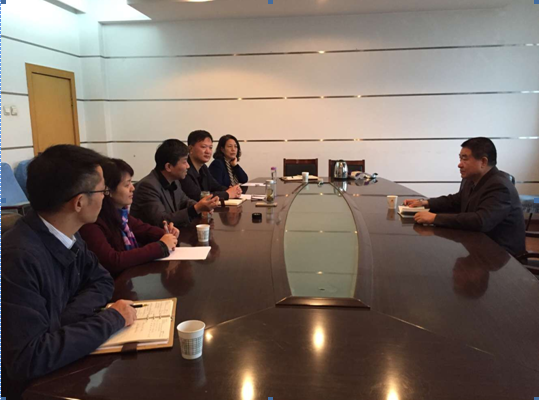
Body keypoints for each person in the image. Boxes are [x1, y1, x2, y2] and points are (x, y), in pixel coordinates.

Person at [2, 145, 137, 399]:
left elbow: (101, 280)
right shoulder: (18, 258)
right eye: (102, 191)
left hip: (63, 367)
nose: (105, 197)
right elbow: (28, 358)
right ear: (79, 202)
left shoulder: (68, 234)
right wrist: (112, 319)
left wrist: (62, 321)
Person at [403, 137, 525, 256]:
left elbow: (481, 221)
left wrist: (435, 218)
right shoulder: (471, 180)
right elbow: (456, 201)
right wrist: (425, 203)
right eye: (460, 158)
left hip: (501, 256)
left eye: (465, 159)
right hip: (477, 244)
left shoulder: (499, 186)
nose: (459, 164)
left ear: (483, 162)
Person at [80, 158, 180, 277]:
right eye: (127, 185)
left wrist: (167, 233)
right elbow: (113, 261)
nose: (133, 188)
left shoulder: (121, 215)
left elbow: (145, 230)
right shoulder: (92, 222)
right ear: (108, 190)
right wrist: (161, 246)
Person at [130, 139, 220, 227]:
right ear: (169, 167)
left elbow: (185, 201)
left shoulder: (174, 181)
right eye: (184, 162)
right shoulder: (147, 187)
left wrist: (201, 207)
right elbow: (162, 221)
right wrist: (196, 209)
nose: (188, 166)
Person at [181, 130, 242, 201]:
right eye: (203, 147)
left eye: (210, 147)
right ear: (190, 149)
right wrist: (227, 194)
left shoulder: (203, 167)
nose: (208, 151)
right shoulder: (184, 169)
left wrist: (231, 190)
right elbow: (197, 195)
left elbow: (216, 186)